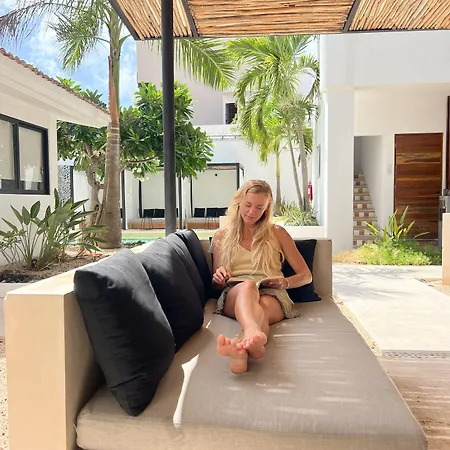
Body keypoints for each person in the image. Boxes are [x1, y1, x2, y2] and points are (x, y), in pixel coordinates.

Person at [211, 179, 312, 374]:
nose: (252, 212)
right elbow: (217, 285)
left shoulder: (277, 233)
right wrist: (219, 278)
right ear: (238, 202)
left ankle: (241, 350)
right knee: (248, 286)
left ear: (267, 208)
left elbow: (306, 276)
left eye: (259, 207)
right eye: (248, 205)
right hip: (236, 292)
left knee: (262, 308)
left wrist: (285, 282)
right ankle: (251, 333)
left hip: (272, 293)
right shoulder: (221, 236)